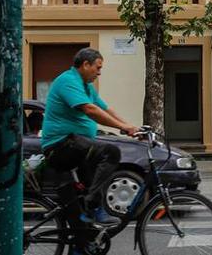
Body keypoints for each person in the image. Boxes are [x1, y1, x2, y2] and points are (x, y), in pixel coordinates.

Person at [41, 47, 139, 228]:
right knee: (110, 153)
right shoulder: (68, 81)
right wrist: (123, 127)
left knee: (89, 185)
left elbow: (105, 108)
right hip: (61, 145)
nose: (99, 73)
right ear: (86, 64)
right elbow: (90, 109)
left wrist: (131, 127)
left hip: (76, 145)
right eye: (98, 68)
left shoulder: (86, 87)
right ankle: (93, 204)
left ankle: (89, 219)